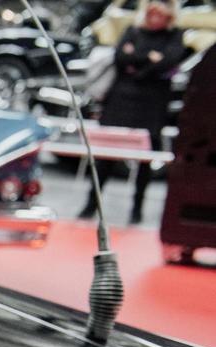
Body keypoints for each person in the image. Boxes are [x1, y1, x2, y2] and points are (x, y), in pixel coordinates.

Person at [80, 0, 190, 225]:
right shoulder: (132, 29)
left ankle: (137, 208)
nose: (154, 18)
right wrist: (150, 58)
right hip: (120, 101)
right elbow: (121, 57)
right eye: (151, 14)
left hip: (151, 106)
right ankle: (92, 203)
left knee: (144, 160)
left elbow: (168, 61)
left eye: (160, 15)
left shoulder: (175, 35)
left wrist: (138, 59)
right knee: (105, 157)